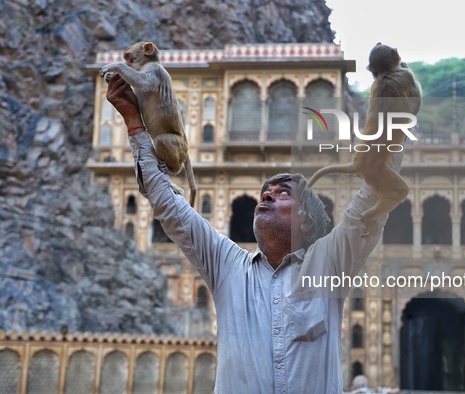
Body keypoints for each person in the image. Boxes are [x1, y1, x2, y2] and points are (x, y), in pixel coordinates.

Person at [106, 73, 404, 393]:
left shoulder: (328, 266)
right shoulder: (227, 265)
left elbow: (369, 204)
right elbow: (168, 205)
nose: (267, 195)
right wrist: (135, 124)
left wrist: (391, 109)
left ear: (305, 221)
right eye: (265, 193)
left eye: (283, 193)